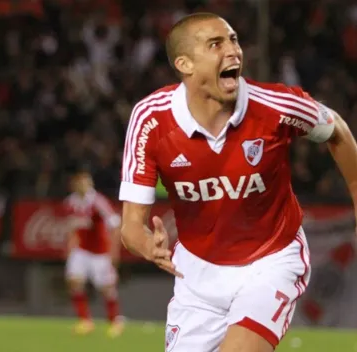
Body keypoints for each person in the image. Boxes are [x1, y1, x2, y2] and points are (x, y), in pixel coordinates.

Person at [119, 12, 357, 352]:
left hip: (271, 260)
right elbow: (130, 226)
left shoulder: (277, 106)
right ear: (184, 64)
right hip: (197, 276)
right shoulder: (150, 120)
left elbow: (338, 131)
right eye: (215, 44)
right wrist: (144, 245)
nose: (233, 51)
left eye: (233, 40)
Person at [64, 165, 124, 337]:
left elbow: (115, 225)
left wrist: (114, 253)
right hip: (81, 250)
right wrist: (70, 248)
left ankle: (115, 321)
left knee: (107, 288)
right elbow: (72, 229)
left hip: (100, 252)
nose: (83, 185)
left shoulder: (98, 202)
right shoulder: (70, 202)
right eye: (80, 182)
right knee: (74, 282)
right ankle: (85, 321)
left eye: (86, 181)